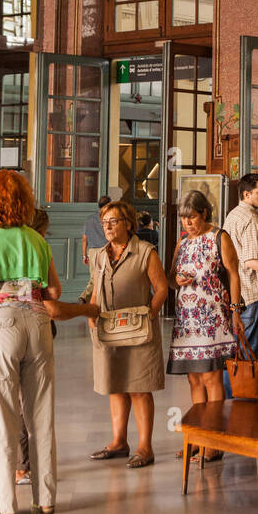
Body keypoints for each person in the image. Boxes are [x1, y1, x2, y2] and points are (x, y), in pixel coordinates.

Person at [0, 171, 96, 514]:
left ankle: (4, 503)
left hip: (2, 325)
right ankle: (45, 498)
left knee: (3, 414)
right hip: (38, 322)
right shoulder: (36, 238)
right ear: (24, 203)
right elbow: (56, 293)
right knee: (41, 414)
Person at [88, 200, 168, 468]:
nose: (108, 227)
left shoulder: (146, 252)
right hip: (108, 330)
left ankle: (146, 447)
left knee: (140, 388)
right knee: (116, 385)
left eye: (114, 222)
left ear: (129, 225)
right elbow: (95, 289)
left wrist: (149, 315)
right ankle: (118, 442)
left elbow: (161, 289)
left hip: (138, 332)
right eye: (105, 223)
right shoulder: (98, 255)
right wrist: (91, 314)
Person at [168, 190, 242, 463]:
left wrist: (235, 310)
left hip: (213, 318)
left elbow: (234, 274)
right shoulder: (183, 243)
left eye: (192, 217)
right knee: (194, 379)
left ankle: (214, 442)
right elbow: (171, 280)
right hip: (187, 321)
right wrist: (177, 280)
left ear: (204, 214)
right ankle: (197, 438)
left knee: (212, 378)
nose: (188, 223)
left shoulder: (219, 237)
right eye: (184, 218)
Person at [0, 206, 52, 483]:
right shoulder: (37, 245)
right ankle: (23, 467)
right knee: (26, 399)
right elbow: (54, 291)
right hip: (32, 322)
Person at [222, 173, 258, 397]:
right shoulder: (250, 218)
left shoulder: (233, 215)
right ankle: (242, 395)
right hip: (252, 292)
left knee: (237, 353)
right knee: (249, 352)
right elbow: (251, 261)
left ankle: (227, 396)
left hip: (236, 294)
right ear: (246, 194)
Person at [81, 196, 112, 267]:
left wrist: (84, 256)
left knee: (94, 276)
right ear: (108, 205)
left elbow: (84, 239)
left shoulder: (89, 219)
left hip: (93, 253)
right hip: (106, 251)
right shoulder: (109, 219)